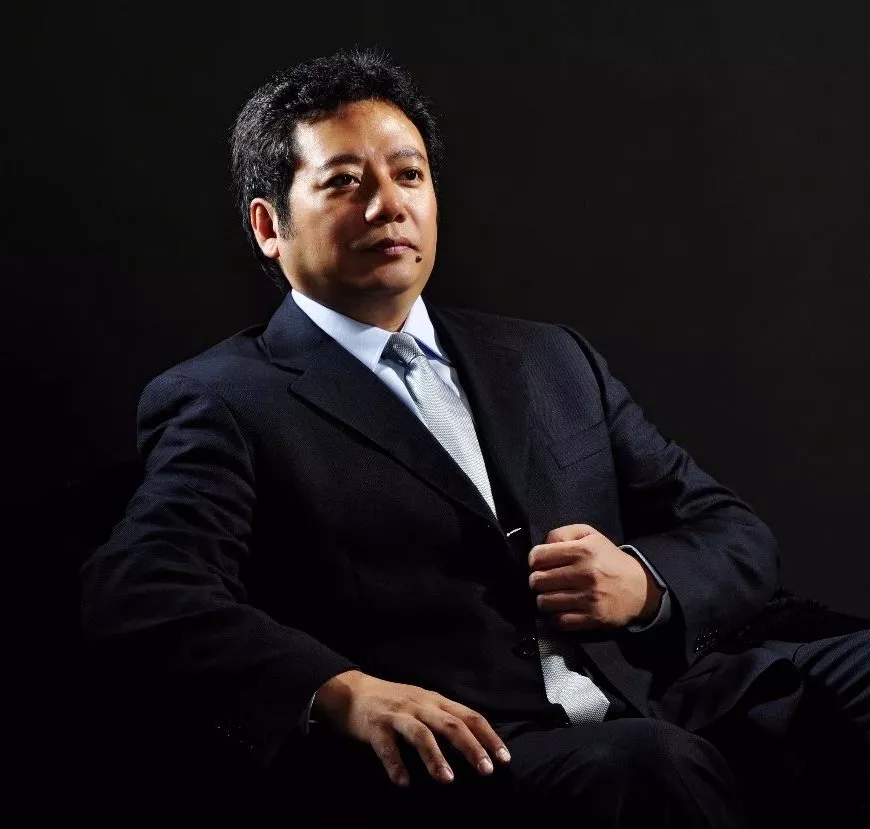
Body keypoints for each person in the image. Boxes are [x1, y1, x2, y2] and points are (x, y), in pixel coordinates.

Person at [79, 48, 868, 828]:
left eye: (409, 174)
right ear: (268, 226)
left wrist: (645, 583)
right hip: (479, 749)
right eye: (345, 182)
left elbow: (733, 531)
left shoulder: (549, 357)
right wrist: (345, 691)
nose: (388, 205)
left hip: (660, 690)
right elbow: (140, 590)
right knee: (647, 767)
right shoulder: (224, 399)